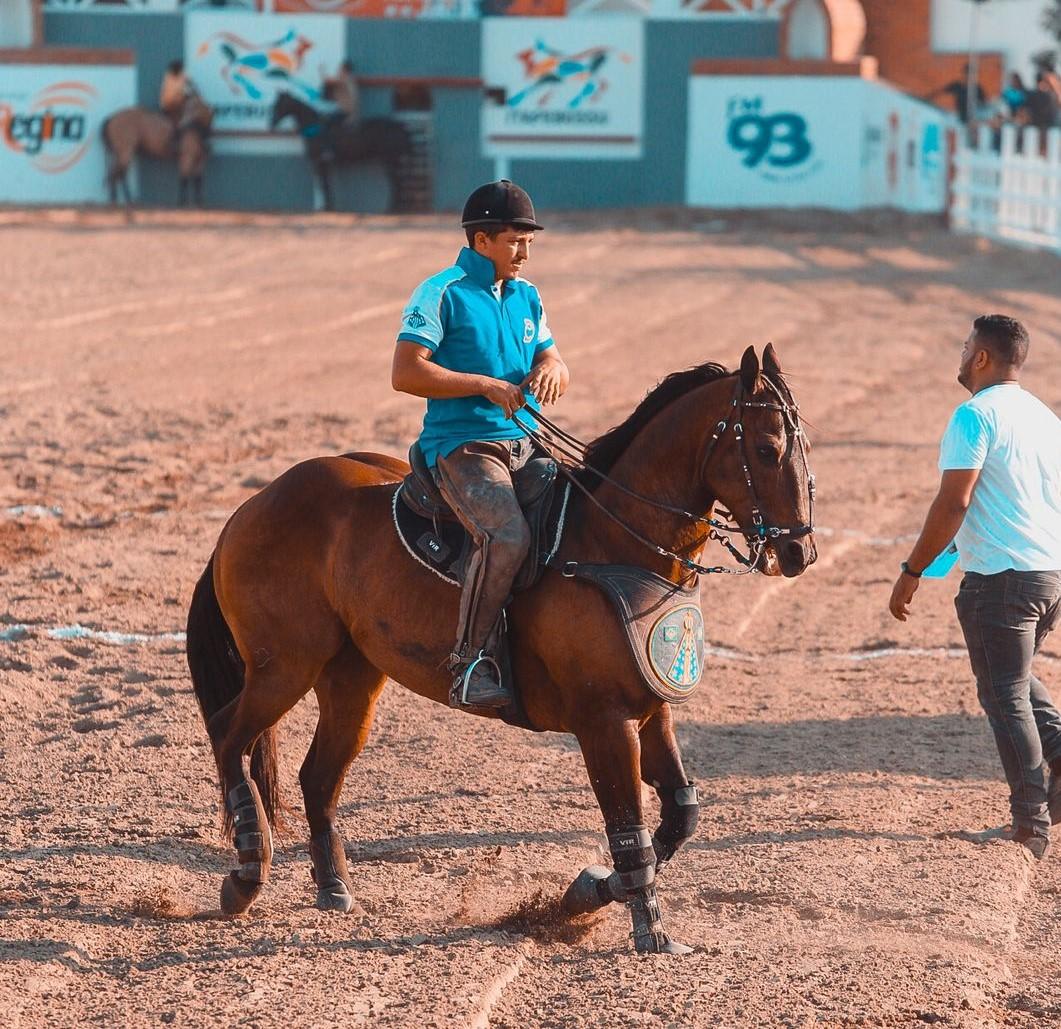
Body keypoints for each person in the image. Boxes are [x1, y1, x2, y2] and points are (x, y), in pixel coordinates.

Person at [391, 180, 570, 710]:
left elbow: (553, 357)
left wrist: (553, 369)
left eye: (529, 242)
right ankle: (470, 663)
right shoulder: (441, 292)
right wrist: (484, 385)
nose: (525, 253)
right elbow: (405, 373)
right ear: (481, 239)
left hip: (528, 442)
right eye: (515, 241)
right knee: (507, 536)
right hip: (464, 447)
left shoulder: (527, 295)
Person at [888, 315, 1061, 859]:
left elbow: (954, 502)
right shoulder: (1044, 417)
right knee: (1014, 679)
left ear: (982, 357)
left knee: (1004, 694)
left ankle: (1031, 825)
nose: (961, 355)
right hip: (1049, 575)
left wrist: (913, 570)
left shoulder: (974, 415)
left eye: (966, 347)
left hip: (1002, 582)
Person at [159, 59, 192, 126]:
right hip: (168, 106)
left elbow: (188, 90)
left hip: (177, 106)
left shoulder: (183, 76)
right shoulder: (168, 76)